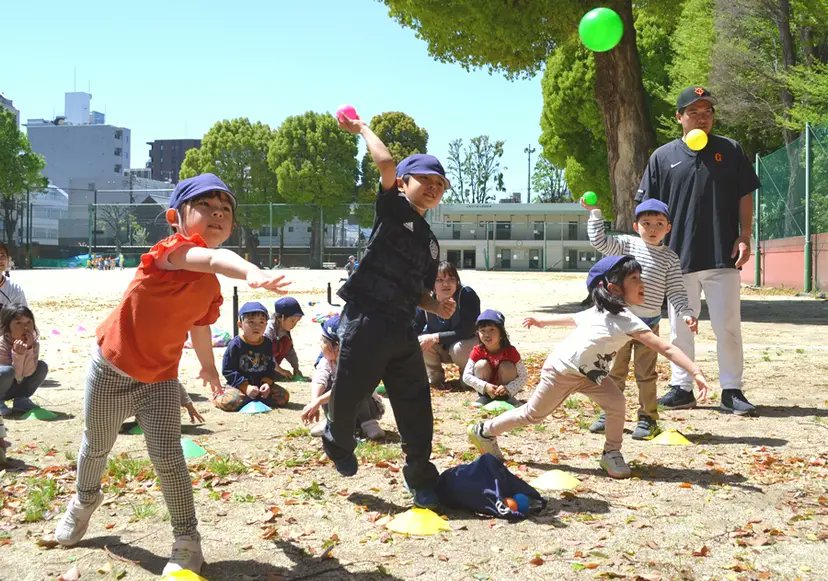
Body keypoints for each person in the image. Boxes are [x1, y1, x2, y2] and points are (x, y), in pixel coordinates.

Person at [53, 173, 291, 576]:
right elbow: (214, 258)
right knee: (96, 446)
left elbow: (199, 324)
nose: (218, 213)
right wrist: (250, 271)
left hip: (161, 379)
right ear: (175, 217)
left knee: (168, 456)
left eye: (226, 210)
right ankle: (84, 500)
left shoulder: (210, 286)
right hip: (110, 368)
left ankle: (187, 540)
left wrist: (209, 367)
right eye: (205, 206)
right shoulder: (172, 251)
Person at [468, 256, 711, 479]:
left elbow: (665, 348)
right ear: (613, 288)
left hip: (590, 375)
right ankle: (484, 430)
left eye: (640, 277)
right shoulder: (602, 312)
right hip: (561, 372)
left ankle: (611, 453)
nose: (642, 282)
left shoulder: (627, 319)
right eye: (634, 278)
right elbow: (574, 318)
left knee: (616, 404)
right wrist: (542, 321)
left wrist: (695, 372)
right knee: (533, 414)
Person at [323, 114, 456, 509]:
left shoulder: (431, 244)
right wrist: (361, 128)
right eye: (424, 181)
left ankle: (420, 475)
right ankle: (338, 439)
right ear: (403, 183)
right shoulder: (393, 209)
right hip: (367, 319)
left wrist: (437, 305)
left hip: (402, 327)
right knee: (349, 393)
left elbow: (419, 293)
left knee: (415, 402)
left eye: (439, 185)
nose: (432, 188)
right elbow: (384, 163)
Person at [636, 86, 761, 416]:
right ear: (679, 117)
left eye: (708, 112)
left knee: (728, 326)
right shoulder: (662, 157)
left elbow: (744, 195)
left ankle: (731, 389)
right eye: (694, 112)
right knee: (680, 328)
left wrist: (745, 234)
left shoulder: (730, 150)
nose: (702, 118)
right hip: (678, 259)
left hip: (723, 255)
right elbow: (647, 207)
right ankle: (682, 387)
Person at [584, 198, 697, 439]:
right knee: (615, 372)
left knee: (646, 375)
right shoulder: (626, 245)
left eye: (659, 223)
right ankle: (609, 414)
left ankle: (648, 419)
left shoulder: (670, 258)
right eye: (646, 223)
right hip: (620, 323)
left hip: (649, 325)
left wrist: (686, 312)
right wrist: (595, 213)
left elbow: (675, 290)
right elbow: (600, 241)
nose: (653, 229)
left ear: (668, 227)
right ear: (636, 227)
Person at [302, 314, 385, 440]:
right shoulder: (327, 361)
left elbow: (344, 388)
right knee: (327, 386)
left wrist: (318, 401)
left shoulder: (355, 362)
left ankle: (368, 423)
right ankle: (331, 420)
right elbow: (320, 379)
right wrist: (315, 401)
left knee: (357, 389)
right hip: (342, 410)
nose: (320, 344)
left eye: (323, 341)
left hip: (368, 408)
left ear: (335, 346)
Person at [413, 261, 480, 390]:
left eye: (451, 279)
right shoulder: (427, 301)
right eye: (439, 280)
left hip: (465, 345)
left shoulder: (466, 295)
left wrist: (435, 337)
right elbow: (414, 327)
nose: (446, 284)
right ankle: (434, 376)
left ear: (457, 282)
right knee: (420, 341)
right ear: (432, 285)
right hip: (442, 348)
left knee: (458, 348)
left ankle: (468, 376)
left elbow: (468, 329)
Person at [215, 301, 290, 411]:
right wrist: (245, 387)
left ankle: (255, 398)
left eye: (261, 322)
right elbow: (228, 370)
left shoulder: (267, 343)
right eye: (251, 322)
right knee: (230, 402)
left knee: (283, 397)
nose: (257, 326)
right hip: (239, 385)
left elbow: (270, 366)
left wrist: (266, 384)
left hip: (260, 385)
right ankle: (218, 395)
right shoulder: (236, 344)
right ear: (240, 324)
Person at [462, 309, 528, 407]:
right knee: (481, 364)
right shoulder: (477, 351)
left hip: (506, 389)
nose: (487, 335)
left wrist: (508, 388)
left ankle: (507, 397)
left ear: (501, 333)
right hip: (486, 389)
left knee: (507, 366)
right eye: (482, 331)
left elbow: (523, 376)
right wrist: (484, 386)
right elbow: (466, 376)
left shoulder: (511, 351)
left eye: (492, 330)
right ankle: (486, 397)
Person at [0, 304, 48, 416]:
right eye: (18, 323)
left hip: (14, 386)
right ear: (7, 327)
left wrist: (29, 349)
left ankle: (21, 399)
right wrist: (18, 355)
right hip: (3, 385)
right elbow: (16, 375)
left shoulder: (33, 344)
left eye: (28, 323)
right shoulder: (2, 344)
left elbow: (27, 373)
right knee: (7, 371)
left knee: (41, 367)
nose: (25, 328)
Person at [264, 297, 304, 380]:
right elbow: (266, 353)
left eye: (297, 322)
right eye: (292, 321)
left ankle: (273, 371)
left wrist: (296, 368)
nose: (294, 325)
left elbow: (290, 351)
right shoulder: (268, 329)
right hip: (259, 362)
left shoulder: (284, 330)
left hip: (273, 365)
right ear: (281, 318)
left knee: (286, 342)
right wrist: (280, 370)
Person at [0, 243, 28, 309]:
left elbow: (23, 317)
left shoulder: (15, 290)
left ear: (8, 259)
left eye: (2, 255)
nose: (0, 260)